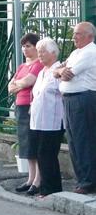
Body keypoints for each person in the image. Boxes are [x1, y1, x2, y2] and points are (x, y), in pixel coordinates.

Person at [54, 22, 96, 194]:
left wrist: (61, 71)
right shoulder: (75, 53)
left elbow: (69, 74)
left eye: (78, 34)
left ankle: (87, 182)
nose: (74, 37)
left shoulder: (90, 52)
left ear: (89, 36)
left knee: (83, 140)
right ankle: (82, 180)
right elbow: (57, 71)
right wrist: (59, 71)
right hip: (70, 99)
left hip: (83, 98)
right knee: (73, 140)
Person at [8, 33, 43, 195]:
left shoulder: (38, 65)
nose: (25, 49)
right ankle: (30, 178)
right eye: (23, 46)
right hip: (20, 106)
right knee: (26, 144)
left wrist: (18, 84)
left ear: (36, 47)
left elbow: (29, 81)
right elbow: (10, 86)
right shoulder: (22, 66)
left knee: (33, 142)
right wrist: (19, 85)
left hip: (31, 107)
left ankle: (38, 180)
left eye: (28, 46)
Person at [30, 38, 64, 197]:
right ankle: (47, 188)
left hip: (52, 120)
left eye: (43, 51)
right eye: (38, 51)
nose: (40, 54)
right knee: (41, 154)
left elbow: (62, 91)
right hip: (38, 120)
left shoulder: (59, 70)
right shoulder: (42, 72)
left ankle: (51, 189)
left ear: (53, 52)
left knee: (48, 154)